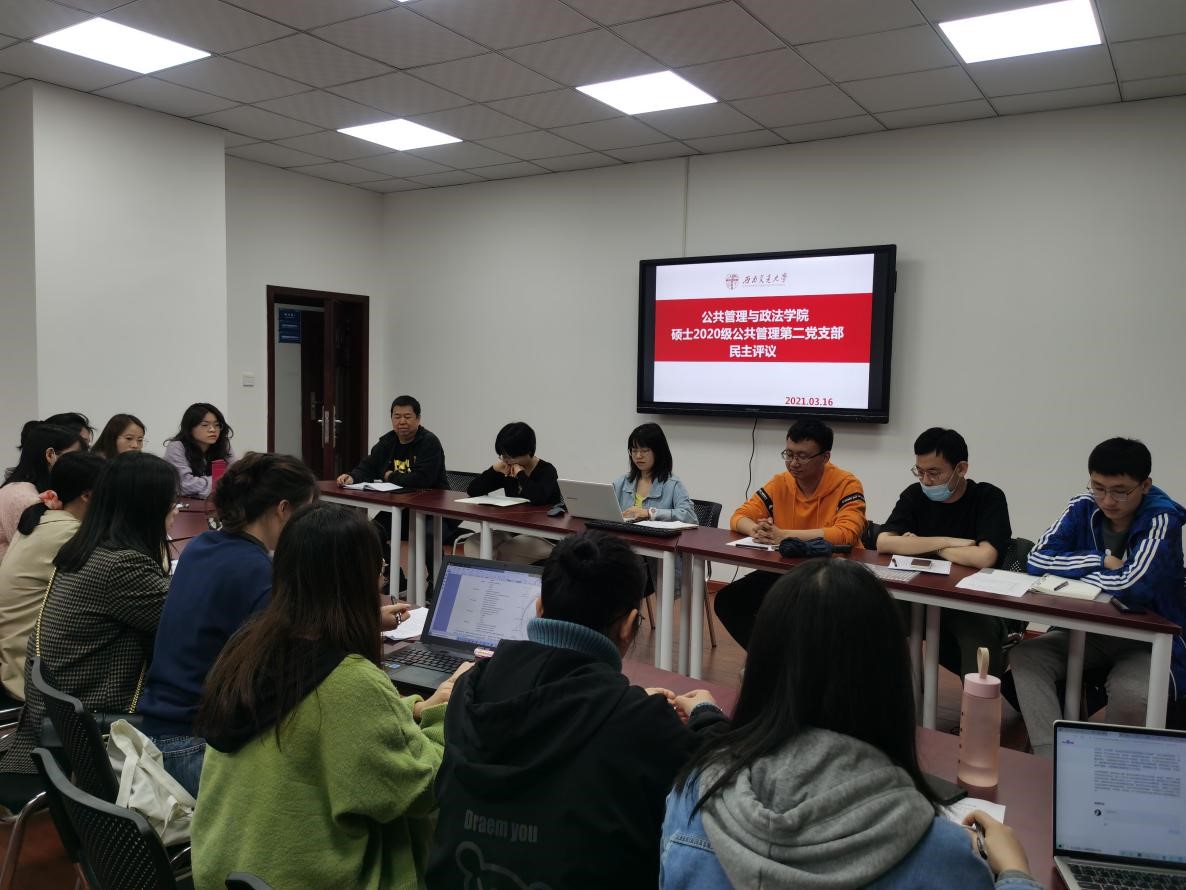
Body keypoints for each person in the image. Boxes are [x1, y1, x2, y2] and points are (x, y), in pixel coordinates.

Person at [661, 559, 1043, 890]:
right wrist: (1015, 872)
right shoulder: (945, 855)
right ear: (891, 680)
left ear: (759, 668)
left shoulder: (692, 797)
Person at [426, 532, 727, 890]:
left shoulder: (469, 687)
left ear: (539, 608)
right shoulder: (640, 723)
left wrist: (627, 702)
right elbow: (721, 784)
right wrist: (706, 715)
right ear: (629, 626)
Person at [191, 503, 467, 890]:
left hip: (229, 873)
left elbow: (332, 726)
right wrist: (447, 714)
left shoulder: (247, 649)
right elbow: (419, 790)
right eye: (380, 570)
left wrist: (414, 708)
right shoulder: (349, 681)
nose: (381, 582)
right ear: (358, 581)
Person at [0, 451, 178, 812]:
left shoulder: (87, 548)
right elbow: (182, 626)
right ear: (148, 507)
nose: (175, 509)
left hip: (56, 716)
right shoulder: (121, 564)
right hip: (97, 728)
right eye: (170, 501)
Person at [135, 453, 319, 797]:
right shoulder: (255, 571)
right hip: (194, 746)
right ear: (283, 509)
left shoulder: (203, 545)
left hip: (158, 732)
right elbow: (284, 671)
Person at [1011, 438, 1186, 757]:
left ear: (1145, 485)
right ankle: (1050, 760)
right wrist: (1100, 560)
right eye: (1098, 487)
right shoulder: (1082, 505)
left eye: (1120, 491)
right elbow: (1037, 559)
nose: (1107, 500)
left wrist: (1069, 577)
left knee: (1132, 692)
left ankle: (1108, 771)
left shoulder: (1162, 519)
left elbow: (1134, 586)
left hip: (1146, 640)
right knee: (1026, 656)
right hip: (1087, 631)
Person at [713, 418, 866, 648]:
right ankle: (771, 661)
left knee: (805, 616)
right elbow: (739, 517)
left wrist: (784, 535)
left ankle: (796, 662)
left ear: (825, 457)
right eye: (789, 454)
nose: (793, 463)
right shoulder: (781, 483)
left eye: (802, 456)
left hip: (833, 572)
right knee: (728, 601)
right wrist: (758, 530)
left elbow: (846, 534)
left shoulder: (847, 484)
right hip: (786, 570)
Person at [876, 427, 1013, 677]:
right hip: (917, 594)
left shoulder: (987, 497)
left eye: (934, 473)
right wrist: (947, 541)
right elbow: (884, 542)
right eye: (920, 472)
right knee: (873, 619)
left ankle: (974, 704)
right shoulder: (914, 495)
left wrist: (926, 546)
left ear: (961, 469)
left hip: (970, 603)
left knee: (980, 640)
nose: (926, 481)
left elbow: (984, 557)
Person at [0, 451, 104, 701]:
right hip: (31, 673)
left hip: (18, 655)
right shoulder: (70, 534)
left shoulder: (43, 517)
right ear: (87, 496)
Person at [336, 394, 459, 574]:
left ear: (418, 419)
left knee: (427, 536)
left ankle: (436, 582)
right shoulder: (387, 442)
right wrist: (352, 477)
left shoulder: (429, 442)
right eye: (397, 416)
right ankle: (394, 577)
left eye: (407, 416)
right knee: (371, 533)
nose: (402, 421)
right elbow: (369, 466)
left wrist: (390, 476)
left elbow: (421, 480)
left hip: (433, 510)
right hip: (402, 508)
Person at [463, 421, 561, 563]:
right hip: (513, 530)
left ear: (528, 451)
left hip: (543, 536)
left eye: (511, 457)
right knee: (473, 544)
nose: (507, 461)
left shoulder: (547, 470)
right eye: (503, 456)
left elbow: (538, 498)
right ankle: (488, 576)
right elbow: (473, 490)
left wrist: (521, 474)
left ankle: (495, 574)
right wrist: (494, 470)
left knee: (507, 551)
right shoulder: (507, 469)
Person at [0, 423, 85, 564]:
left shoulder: (21, 488)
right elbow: (34, 553)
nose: (80, 463)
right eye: (74, 456)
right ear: (50, 455)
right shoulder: (22, 496)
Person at [612, 422, 697, 523]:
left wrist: (650, 513)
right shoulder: (621, 482)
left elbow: (690, 517)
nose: (638, 456)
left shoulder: (672, 484)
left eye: (644, 450)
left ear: (658, 452)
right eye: (634, 451)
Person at [164, 403, 236, 498]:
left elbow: (236, 476)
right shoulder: (177, 447)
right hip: (185, 504)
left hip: (218, 501)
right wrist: (221, 482)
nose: (212, 429)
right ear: (190, 428)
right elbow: (184, 485)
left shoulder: (224, 444)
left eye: (217, 425)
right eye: (205, 425)